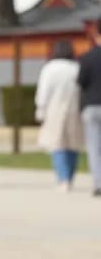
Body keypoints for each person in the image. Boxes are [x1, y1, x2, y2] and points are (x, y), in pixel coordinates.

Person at [35, 39, 83, 190]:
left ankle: (63, 179)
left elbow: (44, 91)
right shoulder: (76, 67)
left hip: (54, 109)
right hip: (75, 108)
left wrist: (40, 108)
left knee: (57, 144)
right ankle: (70, 175)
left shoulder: (50, 68)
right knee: (73, 143)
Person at [78, 24, 101, 196]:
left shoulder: (87, 58)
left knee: (94, 146)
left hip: (92, 105)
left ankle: (98, 182)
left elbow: (81, 82)